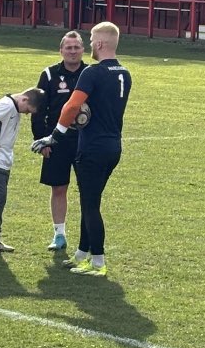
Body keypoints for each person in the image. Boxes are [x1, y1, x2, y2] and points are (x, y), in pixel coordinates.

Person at [31, 21, 131, 277]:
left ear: (100, 43)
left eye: (91, 41)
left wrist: (54, 135)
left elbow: (72, 107)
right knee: (91, 201)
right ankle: (81, 254)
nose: (90, 46)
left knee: (90, 206)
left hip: (92, 148)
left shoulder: (92, 72)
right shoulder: (124, 73)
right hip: (113, 146)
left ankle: (98, 262)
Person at [31, 30, 87, 251]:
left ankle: (87, 235)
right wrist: (42, 141)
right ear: (61, 50)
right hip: (56, 142)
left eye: (76, 47)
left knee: (88, 190)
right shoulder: (49, 74)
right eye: (68, 47)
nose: (73, 51)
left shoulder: (91, 74)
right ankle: (59, 235)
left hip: (85, 142)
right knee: (58, 188)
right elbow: (38, 110)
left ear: (83, 50)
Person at [0, 87, 46, 256]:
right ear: (24, 99)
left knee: (0, 199)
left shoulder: (14, 106)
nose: (27, 114)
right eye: (28, 110)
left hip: (3, 161)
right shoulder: (6, 105)